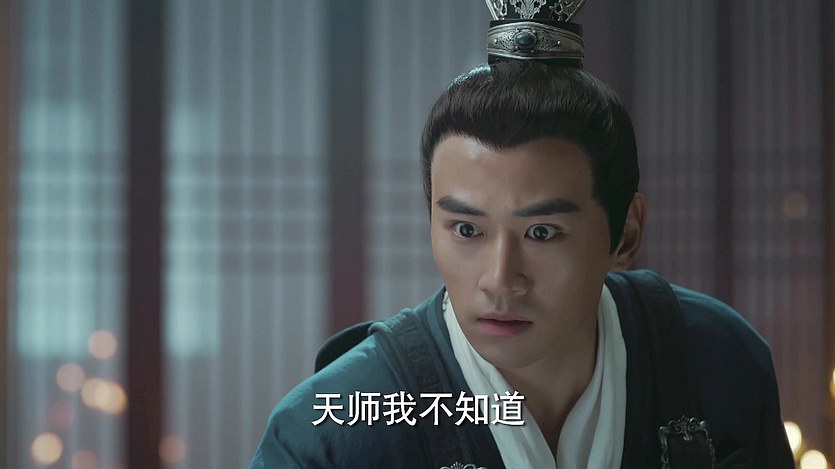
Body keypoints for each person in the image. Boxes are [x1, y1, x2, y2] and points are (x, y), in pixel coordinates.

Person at [249, 1, 794, 467]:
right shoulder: (329, 433)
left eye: (542, 232)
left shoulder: (718, 361)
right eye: (467, 228)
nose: (500, 279)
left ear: (625, 235)